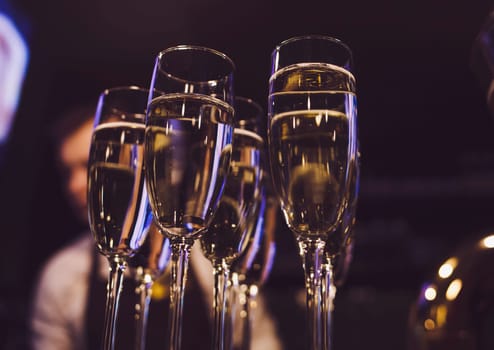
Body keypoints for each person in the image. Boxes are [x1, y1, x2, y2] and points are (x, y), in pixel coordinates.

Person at [29, 100, 283, 349]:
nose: (75, 185)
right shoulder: (62, 275)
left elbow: (261, 341)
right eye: (66, 172)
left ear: (143, 162)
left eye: (91, 164)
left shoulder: (209, 258)